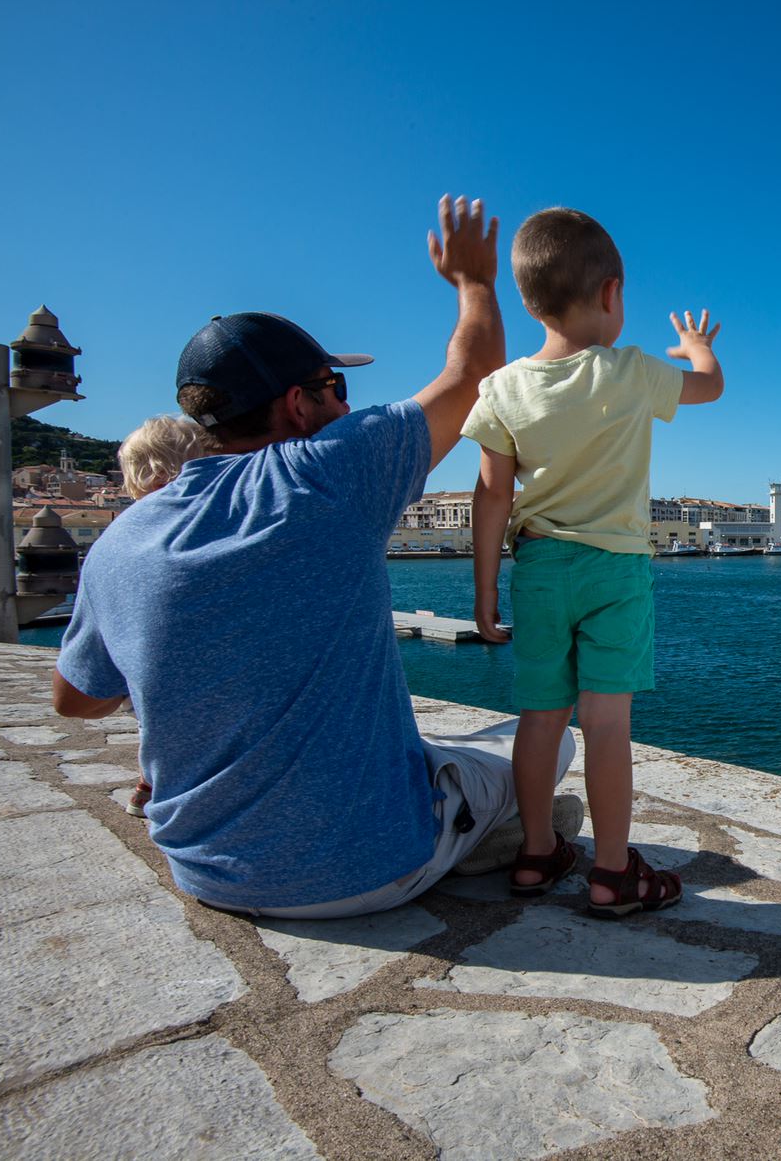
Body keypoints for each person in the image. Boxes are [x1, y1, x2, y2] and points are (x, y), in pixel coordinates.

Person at [53, 196, 578, 918]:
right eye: (338, 390)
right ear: (298, 405)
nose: (345, 407)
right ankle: (485, 838)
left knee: (426, 744)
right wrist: (473, 281)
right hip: (365, 870)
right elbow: (476, 369)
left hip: (205, 874)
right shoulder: (330, 475)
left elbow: (76, 701)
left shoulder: (120, 541)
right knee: (551, 746)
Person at [465, 207, 723, 917]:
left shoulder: (502, 390)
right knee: (606, 723)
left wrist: (484, 590)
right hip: (614, 570)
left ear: (526, 302)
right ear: (612, 294)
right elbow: (711, 387)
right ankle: (612, 874)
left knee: (539, 717)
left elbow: (491, 497)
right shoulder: (633, 372)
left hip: (540, 567)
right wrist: (695, 347)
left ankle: (535, 853)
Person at [114, 414, 219, 818]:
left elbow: (76, 699)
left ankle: (150, 783)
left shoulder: (123, 543)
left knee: (154, 718)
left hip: (151, 678)